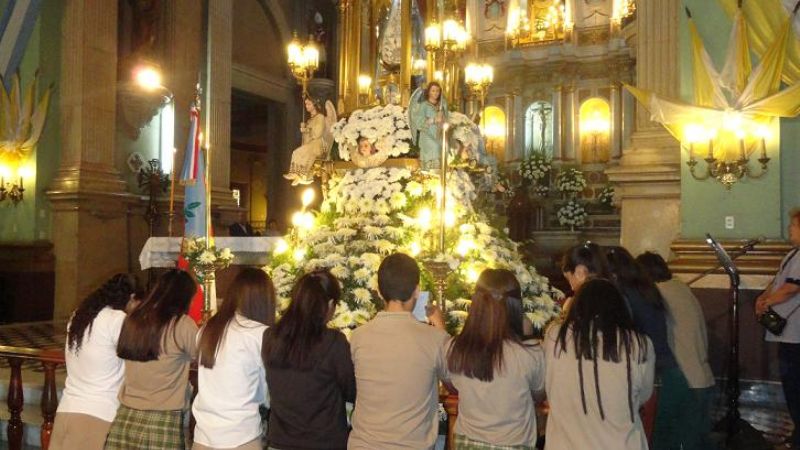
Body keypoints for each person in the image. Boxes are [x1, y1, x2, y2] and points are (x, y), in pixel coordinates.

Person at [348, 253, 448, 450]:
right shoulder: (434, 338)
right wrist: (442, 329)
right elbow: (454, 379)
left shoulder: (358, 337)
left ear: (378, 291)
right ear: (417, 291)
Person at [544, 278, 655, 450]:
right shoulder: (639, 344)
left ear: (577, 305)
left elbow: (548, 383)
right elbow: (644, 394)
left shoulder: (556, 337)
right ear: (620, 307)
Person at [446, 269, 545, 449]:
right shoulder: (529, 354)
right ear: (516, 305)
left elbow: (453, 385)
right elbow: (539, 394)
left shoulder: (458, 348)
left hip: (467, 441)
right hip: (513, 442)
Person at [104, 269, 199, 450]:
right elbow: (205, 357)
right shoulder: (181, 324)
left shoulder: (134, 319)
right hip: (162, 418)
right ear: (184, 298)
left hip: (126, 416)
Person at [262, 269, 355, 450]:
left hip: (280, 441)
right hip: (324, 442)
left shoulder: (271, 336)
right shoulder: (333, 342)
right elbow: (351, 390)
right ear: (329, 304)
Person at [605, 246, 685, 450]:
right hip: (668, 372)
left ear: (612, 274)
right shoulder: (644, 289)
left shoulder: (624, 296)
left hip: (652, 374)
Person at [49, 274, 140, 450]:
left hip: (67, 409)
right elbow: (139, 354)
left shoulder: (80, 316)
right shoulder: (116, 319)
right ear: (131, 298)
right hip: (97, 414)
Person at [636, 251, 714, 450]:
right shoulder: (679, 288)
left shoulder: (657, 294)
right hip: (702, 377)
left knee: (667, 439)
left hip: (682, 379)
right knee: (698, 440)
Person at [193, 268, 276, 450]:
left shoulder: (208, 329)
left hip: (204, 435)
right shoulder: (259, 334)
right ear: (265, 300)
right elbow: (265, 393)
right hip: (241, 437)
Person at [756, 209, 800, 449]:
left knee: (795, 386)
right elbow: (777, 282)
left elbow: (792, 288)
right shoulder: (793, 254)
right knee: (791, 385)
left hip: (797, 336)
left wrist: (767, 302)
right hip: (790, 334)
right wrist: (763, 297)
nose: (789, 230)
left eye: (793, 226)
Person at [284, 96, 327, 186]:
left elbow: (317, 133)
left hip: (317, 144)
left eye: (309, 104)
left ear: (314, 105)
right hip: (311, 144)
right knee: (296, 152)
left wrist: (306, 130)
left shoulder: (320, 117)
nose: (306, 106)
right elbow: (307, 138)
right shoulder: (309, 120)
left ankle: (300, 175)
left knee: (299, 151)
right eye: (306, 104)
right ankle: (296, 174)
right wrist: (304, 130)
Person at [560, 242, 612, 312]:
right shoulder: (613, 290)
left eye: (569, 279)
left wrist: (568, 310)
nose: (572, 288)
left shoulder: (584, 300)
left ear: (580, 272)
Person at [410, 82, 448, 170]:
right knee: (433, 151)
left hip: (439, 136)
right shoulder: (424, 105)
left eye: (437, 91)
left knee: (441, 153)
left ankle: (439, 178)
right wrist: (433, 120)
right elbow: (418, 122)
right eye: (433, 91)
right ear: (428, 92)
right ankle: (429, 177)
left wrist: (444, 121)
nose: (435, 93)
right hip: (427, 136)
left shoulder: (441, 106)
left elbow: (446, 121)